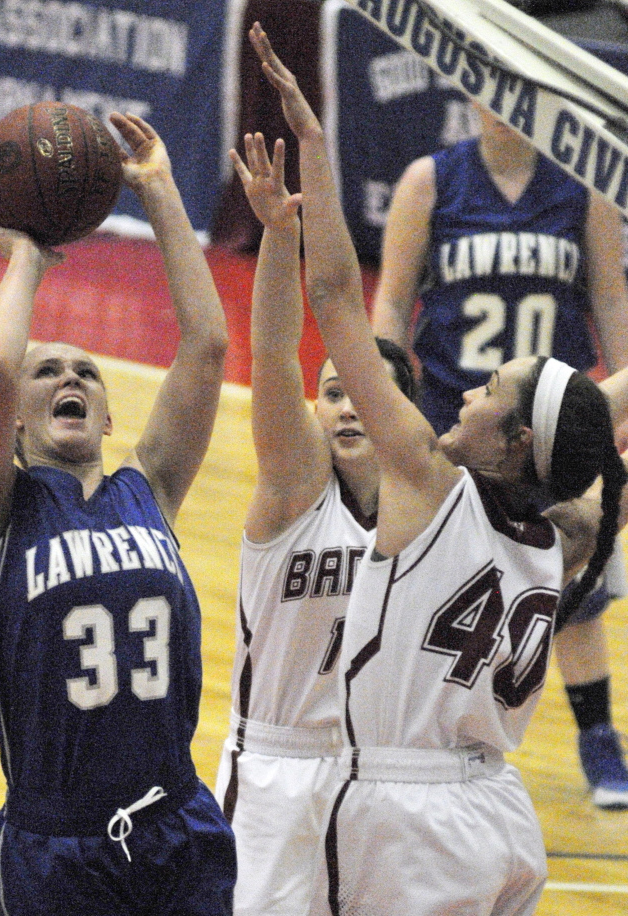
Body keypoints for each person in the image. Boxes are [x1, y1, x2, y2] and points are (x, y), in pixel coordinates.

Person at [250, 21, 627, 915]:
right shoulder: (563, 530)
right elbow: (590, 417)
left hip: (402, 813)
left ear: (514, 440)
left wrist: (313, 145)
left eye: (489, 388)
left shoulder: (424, 484)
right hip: (498, 811)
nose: (462, 393)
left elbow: (337, 296)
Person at [0, 112, 236, 914]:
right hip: (59, 843)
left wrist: (159, 192)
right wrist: (27, 261)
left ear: (109, 417)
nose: (67, 377)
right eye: (46, 373)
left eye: (85, 373)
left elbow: (206, 345)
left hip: (177, 821)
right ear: (12, 415)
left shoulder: (148, 485)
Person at [371, 103, 628, 809]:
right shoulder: (429, 180)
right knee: (430, 583)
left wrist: (617, 401)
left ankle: (597, 739)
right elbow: (391, 300)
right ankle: (410, 723)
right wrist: (382, 384)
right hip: (458, 414)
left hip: (552, 418)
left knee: (576, 590)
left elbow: (609, 294)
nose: (503, 107)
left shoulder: (584, 187)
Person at [213, 129, 416, 915]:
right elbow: (269, 354)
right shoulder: (297, 490)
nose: (343, 406)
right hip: (274, 767)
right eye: (330, 392)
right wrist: (276, 237)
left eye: (357, 390)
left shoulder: (427, 509)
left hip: (376, 775)